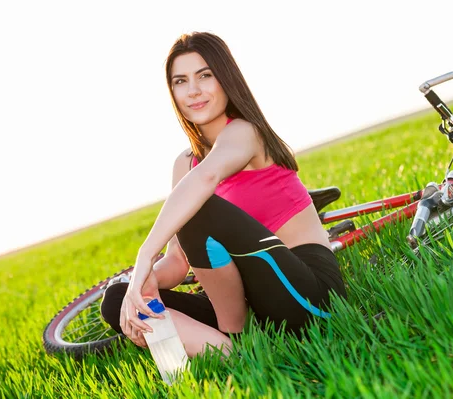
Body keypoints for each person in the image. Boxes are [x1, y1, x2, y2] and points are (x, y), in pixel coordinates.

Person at [100, 31, 347, 357]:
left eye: (205, 75)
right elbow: (177, 263)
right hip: (246, 302)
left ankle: (238, 337)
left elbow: (206, 178)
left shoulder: (246, 133)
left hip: (308, 296)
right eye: (180, 81)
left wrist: (144, 256)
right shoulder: (185, 164)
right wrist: (144, 282)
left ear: (225, 79)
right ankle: (235, 355)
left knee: (196, 208)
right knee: (116, 300)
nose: (194, 91)